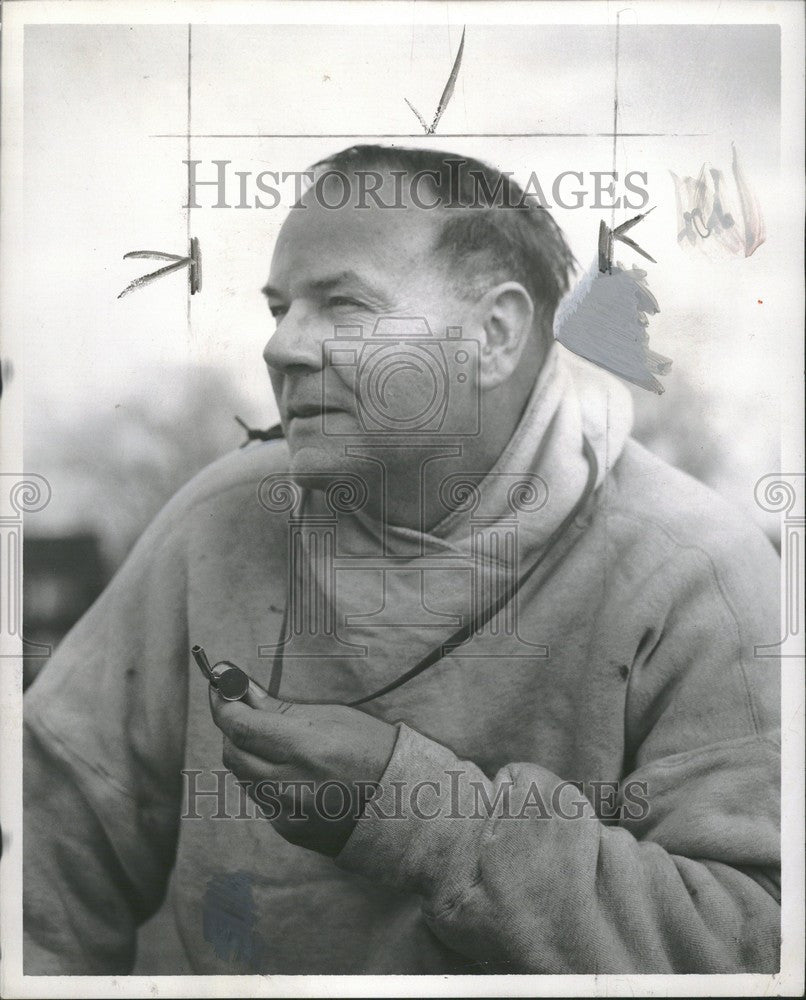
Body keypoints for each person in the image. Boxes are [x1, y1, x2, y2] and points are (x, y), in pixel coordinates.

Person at [24, 146, 780, 975]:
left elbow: (757, 940)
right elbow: (42, 862)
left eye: (343, 305)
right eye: (280, 309)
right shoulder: (219, 522)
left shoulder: (697, 570)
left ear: (494, 335)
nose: (281, 348)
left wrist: (418, 817)